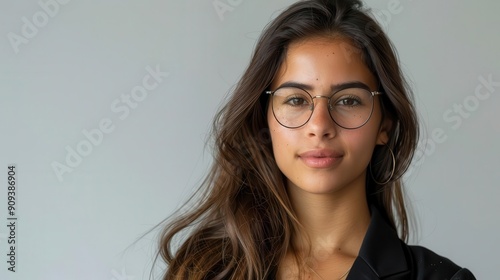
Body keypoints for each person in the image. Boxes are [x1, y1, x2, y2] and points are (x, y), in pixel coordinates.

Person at [158, 0, 476, 279]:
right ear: (264, 122)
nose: (319, 126)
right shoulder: (204, 270)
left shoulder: (441, 278)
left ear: (385, 126)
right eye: (296, 100)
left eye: (349, 100)